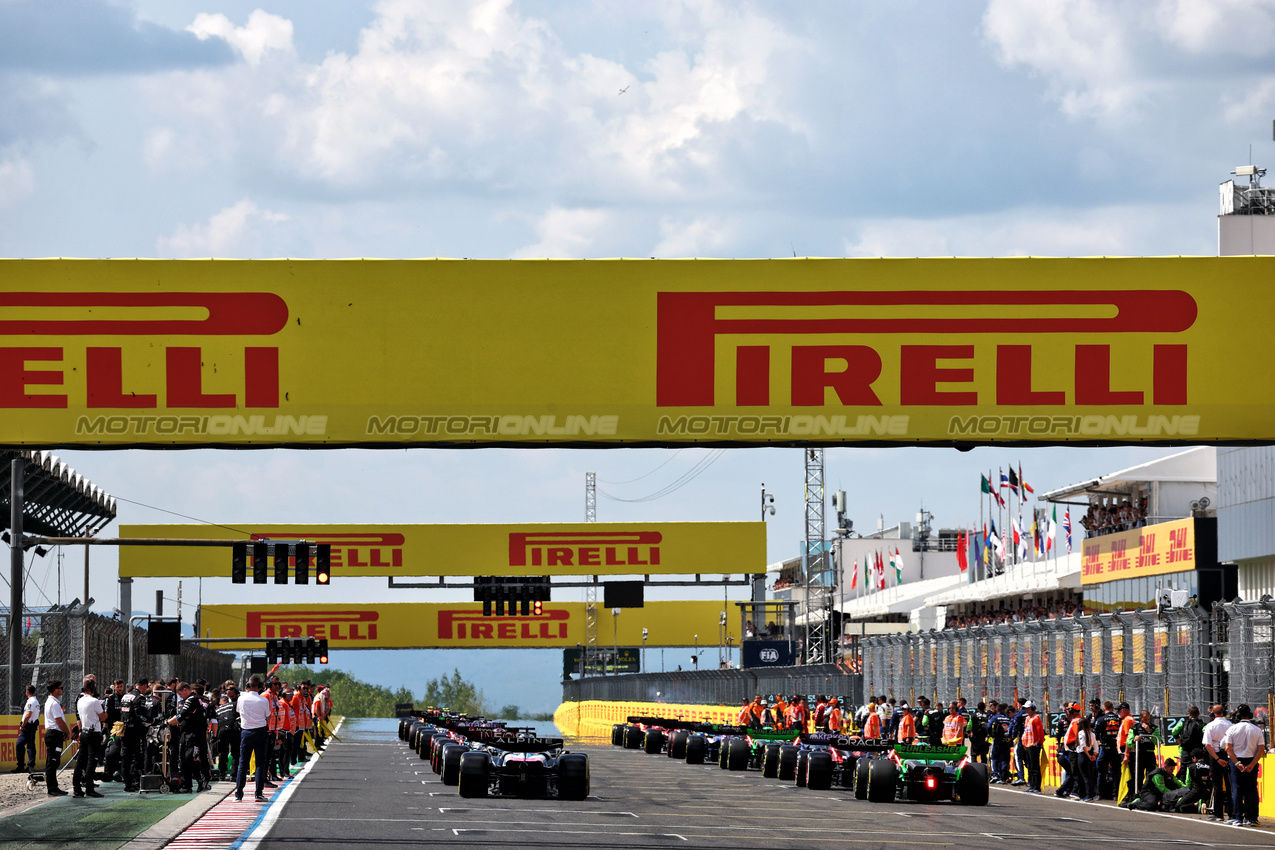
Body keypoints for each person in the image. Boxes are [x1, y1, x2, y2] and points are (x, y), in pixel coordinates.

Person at [1223, 703, 1265, 827]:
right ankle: (1252, 818)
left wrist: (1236, 763)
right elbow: (1261, 749)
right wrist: (1252, 764)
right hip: (1251, 760)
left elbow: (1227, 748)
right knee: (1251, 789)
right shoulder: (1256, 729)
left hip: (1237, 760)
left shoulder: (1232, 728)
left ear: (1238, 716)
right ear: (1250, 715)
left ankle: (1238, 817)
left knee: (1237, 789)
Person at [235, 675, 271, 803]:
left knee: (243, 764)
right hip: (260, 731)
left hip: (246, 732)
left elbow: (239, 712)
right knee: (260, 764)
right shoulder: (264, 700)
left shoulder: (241, 699)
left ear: (248, 686)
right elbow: (268, 717)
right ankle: (258, 793)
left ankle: (238, 794)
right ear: (260, 687)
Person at [168, 682, 210, 792]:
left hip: (195, 734)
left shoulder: (192, 699)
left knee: (190, 757)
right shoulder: (186, 700)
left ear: (186, 690)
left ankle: (202, 780)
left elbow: (181, 715)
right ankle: (187, 785)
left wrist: (167, 722)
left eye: (181, 694)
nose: (180, 696)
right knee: (182, 760)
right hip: (185, 734)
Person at [73, 677, 106, 799]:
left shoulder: (80, 700)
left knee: (81, 761)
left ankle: (76, 789)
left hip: (85, 732)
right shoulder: (94, 701)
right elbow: (103, 717)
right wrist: (104, 712)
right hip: (93, 733)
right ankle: (89, 788)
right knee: (92, 761)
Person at [1201, 703, 1233, 822]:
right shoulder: (1230, 724)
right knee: (1230, 785)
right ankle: (1231, 813)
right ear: (1224, 712)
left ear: (1212, 713)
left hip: (1215, 757)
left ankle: (1218, 814)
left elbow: (1208, 745)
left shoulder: (1210, 725)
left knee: (1217, 786)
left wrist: (1217, 759)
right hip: (1228, 755)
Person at [42, 680, 71, 796]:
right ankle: (52, 787)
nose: (62, 690)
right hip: (54, 734)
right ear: (55, 690)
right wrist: (67, 732)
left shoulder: (53, 702)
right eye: (60, 688)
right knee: (52, 762)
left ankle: (54, 786)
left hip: (55, 734)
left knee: (54, 761)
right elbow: (59, 721)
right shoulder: (53, 703)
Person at [1019, 700, 1044, 793]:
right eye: (1025, 708)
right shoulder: (1027, 718)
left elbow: (1040, 732)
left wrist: (1040, 743)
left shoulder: (1036, 718)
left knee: (1035, 766)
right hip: (1028, 745)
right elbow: (1025, 732)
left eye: (1027, 708)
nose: (1026, 709)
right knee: (1030, 766)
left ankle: (1037, 786)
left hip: (1034, 745)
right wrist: (1024, 743)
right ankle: (1032, 785)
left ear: (1032, 708)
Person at [1072, 714, 1098, 802]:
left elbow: (1083, 746)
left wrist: (1089, 756)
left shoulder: (1081, 733)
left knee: (1085, 776)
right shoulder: (1092, 734)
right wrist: (1094, 755)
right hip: (1089, 755)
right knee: (1089, 776)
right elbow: (1096, 747)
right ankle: (1087, 794)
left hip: (1083, 755)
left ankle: (1088, 795)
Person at [215, 690, 240, 780]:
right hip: (234, 729)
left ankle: (222, 774)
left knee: (222, 753)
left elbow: (215, 722)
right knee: (235, 753)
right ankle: (233, 775)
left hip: (222, 731)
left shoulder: (217, 709)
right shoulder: (233, 705)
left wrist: (215, 736)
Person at [14, 685, 39, 774]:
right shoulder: (36, 701)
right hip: (33, 725)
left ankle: (21, 765)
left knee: (20, 744)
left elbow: (28, 714)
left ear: (27, 692)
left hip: (28, 726)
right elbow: (38, 714)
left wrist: (23, 725)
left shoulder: (31, 702)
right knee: (30, 745)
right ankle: (30, 765)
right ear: (34, 692)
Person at [988, 704, 1011, 783]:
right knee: (1004, 759)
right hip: (1006, 740)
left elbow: (988, 726)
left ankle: (995, 775)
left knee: (994, 757)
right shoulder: (1008, 718)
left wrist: (990, 734)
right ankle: (1003, 777)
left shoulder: (995, 717)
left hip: (997, 740)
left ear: (997, 710)